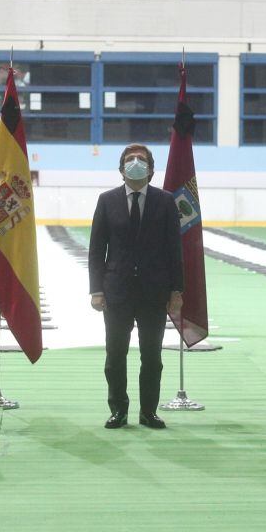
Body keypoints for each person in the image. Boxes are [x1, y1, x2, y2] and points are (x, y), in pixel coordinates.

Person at [88, 143, 183, 430]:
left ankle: (148, 412)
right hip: (116, 291)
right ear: (121, 169)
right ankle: (118, 410)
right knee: (115, 355)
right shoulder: (107, 201)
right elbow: (96, 249)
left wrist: (176, 291)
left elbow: (174, 250)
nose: (136, 163)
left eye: (141, 159)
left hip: (154, 292)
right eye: (130, 159)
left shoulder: (166, 201)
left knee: (151, 356)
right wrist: (96, 290)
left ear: (151, 169)